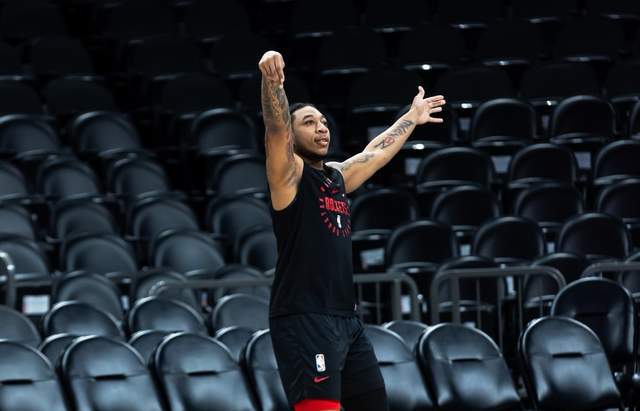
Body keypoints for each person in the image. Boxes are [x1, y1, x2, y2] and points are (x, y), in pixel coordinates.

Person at [259, 50, 445, 411]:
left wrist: (411, 117)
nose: (322, 128)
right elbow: (276, 129)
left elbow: (376, 153)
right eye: (309, 122)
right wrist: (271, 81)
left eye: (323, 122)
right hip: (304, 317)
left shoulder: (337, 178)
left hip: (346, 319)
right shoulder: (289, 176)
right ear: (293, 136)